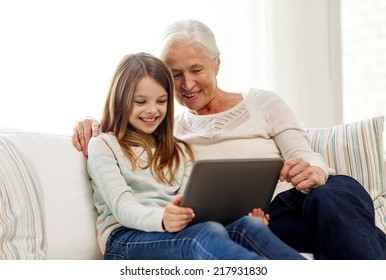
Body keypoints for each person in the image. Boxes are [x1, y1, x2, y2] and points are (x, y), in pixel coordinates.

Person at [74, 20, 386, 260]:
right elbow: (132, 122)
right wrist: (97, 123)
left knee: (331, 195)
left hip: (307, 197)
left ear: (217, 64)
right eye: (176, 75)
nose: (188, 83)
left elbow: (305, 153)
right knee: (351, 232)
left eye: (197, 69)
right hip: (265, 218)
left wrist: (314, 171)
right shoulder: (172, 134)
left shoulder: (262, 103)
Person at [86, 52, 305, 260]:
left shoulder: (179, 151)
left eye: (161, 101)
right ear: (119, 100)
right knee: (202, 235)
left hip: (174, 232)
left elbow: (192, 206)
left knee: (249, 226)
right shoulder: (104, 145)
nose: (152, 110)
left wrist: (238, 218)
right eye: (141, 102)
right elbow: (123, 207)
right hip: (124, 239)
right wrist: (162, 219)